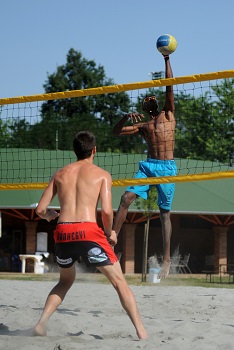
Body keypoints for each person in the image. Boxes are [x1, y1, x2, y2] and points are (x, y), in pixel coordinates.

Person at [33, 130, 148, 340]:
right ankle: (141, 332)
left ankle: (41, 323)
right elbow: (105, 211)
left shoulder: (60, 174)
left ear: (74, 151)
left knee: (65, 282)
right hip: (88, 232)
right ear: (94, 150)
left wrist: (50, 215)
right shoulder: (102, 175)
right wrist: (109, 232)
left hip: (64, 232)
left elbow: (40, 209)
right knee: (119, 282)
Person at [112, 55, 177, 279]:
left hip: (167, 168)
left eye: (152, 96)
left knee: (164, 214)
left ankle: (167, 259)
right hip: (148, 166)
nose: (150, 98)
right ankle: (112, 244)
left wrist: (167, 58)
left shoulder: (168, 114)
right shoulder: (142, 126)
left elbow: (170, 84)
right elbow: (116, 132)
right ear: (143, 106)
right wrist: (124, 117)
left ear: (157, 102)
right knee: (125, 199)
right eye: (146, 98)